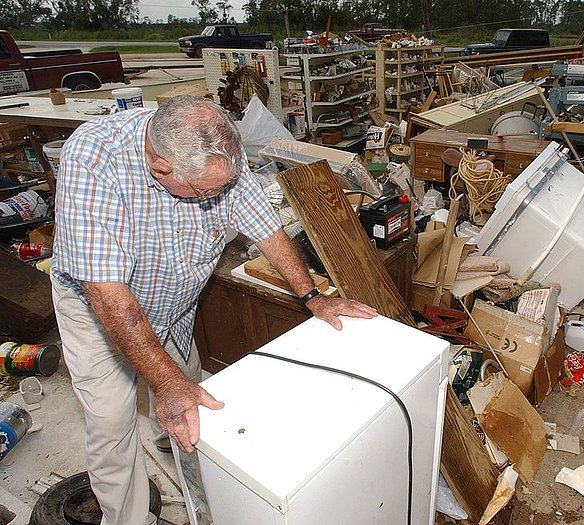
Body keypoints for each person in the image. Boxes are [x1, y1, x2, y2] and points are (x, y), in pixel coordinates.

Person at [50, 95, 378, 525]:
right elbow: (110, 296)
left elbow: (266, 227)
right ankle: (129, 519)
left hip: (175, 301)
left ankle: (177, 442)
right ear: (160, 168)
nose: (217, 196)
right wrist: (165, 384)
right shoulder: (93, 159)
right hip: (101, 310)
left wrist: (312, 296)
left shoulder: (213, 152)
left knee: (186, 380)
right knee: (112, 423)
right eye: (206, 192)